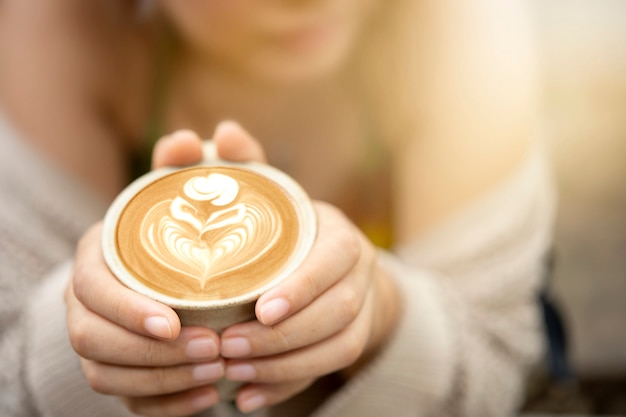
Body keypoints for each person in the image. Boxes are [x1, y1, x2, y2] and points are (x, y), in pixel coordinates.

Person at [0, 0, 555, 416]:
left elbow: (495, 369)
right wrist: (80, 334)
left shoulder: (466, 30)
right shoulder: (50, 35)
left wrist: (385, 313)